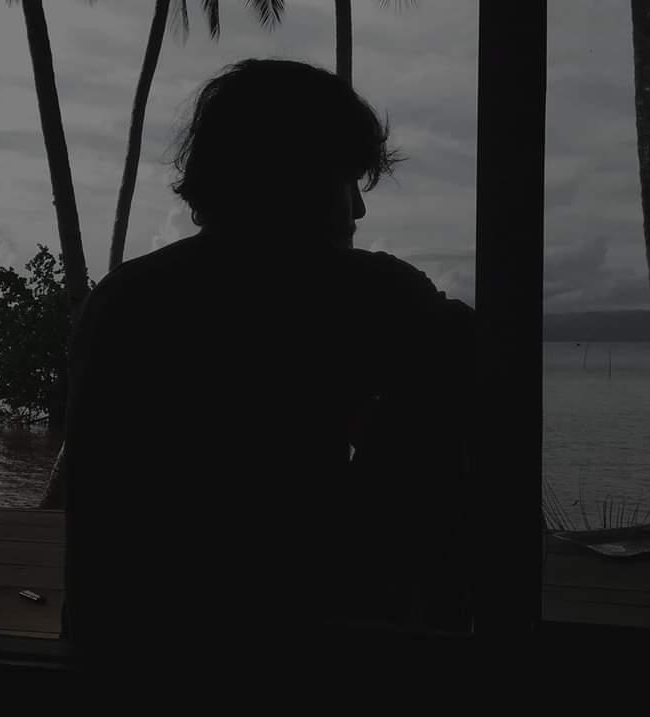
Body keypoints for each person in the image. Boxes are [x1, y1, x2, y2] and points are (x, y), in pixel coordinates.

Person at [63, 58, 475, 676]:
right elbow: (486, 370)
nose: (358, 210)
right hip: (294, 640)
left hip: (116, 645)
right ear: (298, 179)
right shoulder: (356, 292)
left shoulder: (124, 296)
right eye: (346, 180)